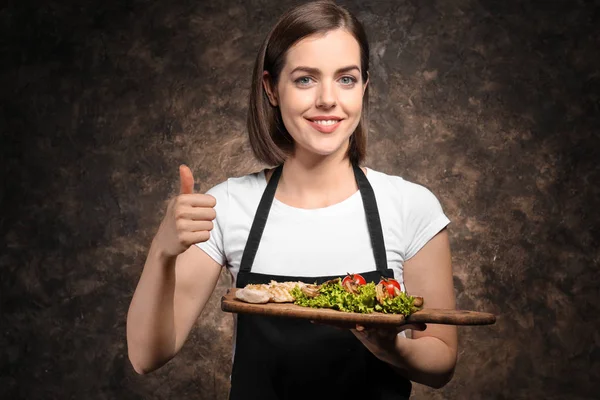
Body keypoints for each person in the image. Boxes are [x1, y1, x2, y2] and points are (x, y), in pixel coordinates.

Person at [126, 1, 457, 398]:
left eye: (346, 79)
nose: (328, 99)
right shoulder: (228, 206)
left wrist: (391, 346)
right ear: (271, 88)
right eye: (305, 79)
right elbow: (147, 356)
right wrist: (162, 251)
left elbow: (441, 363)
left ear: (365, 87)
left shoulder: (411, 206)